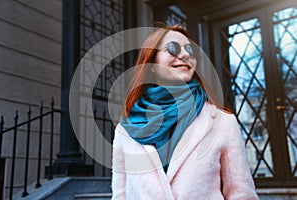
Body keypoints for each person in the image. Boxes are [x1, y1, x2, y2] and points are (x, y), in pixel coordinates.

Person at [111, 24, 258, 199]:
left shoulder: (223, 121)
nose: (186, 54)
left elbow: (241, 194)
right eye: (173, 48)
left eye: (190, 49)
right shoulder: (126, 128)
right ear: (151, 64)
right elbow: (120, 195)